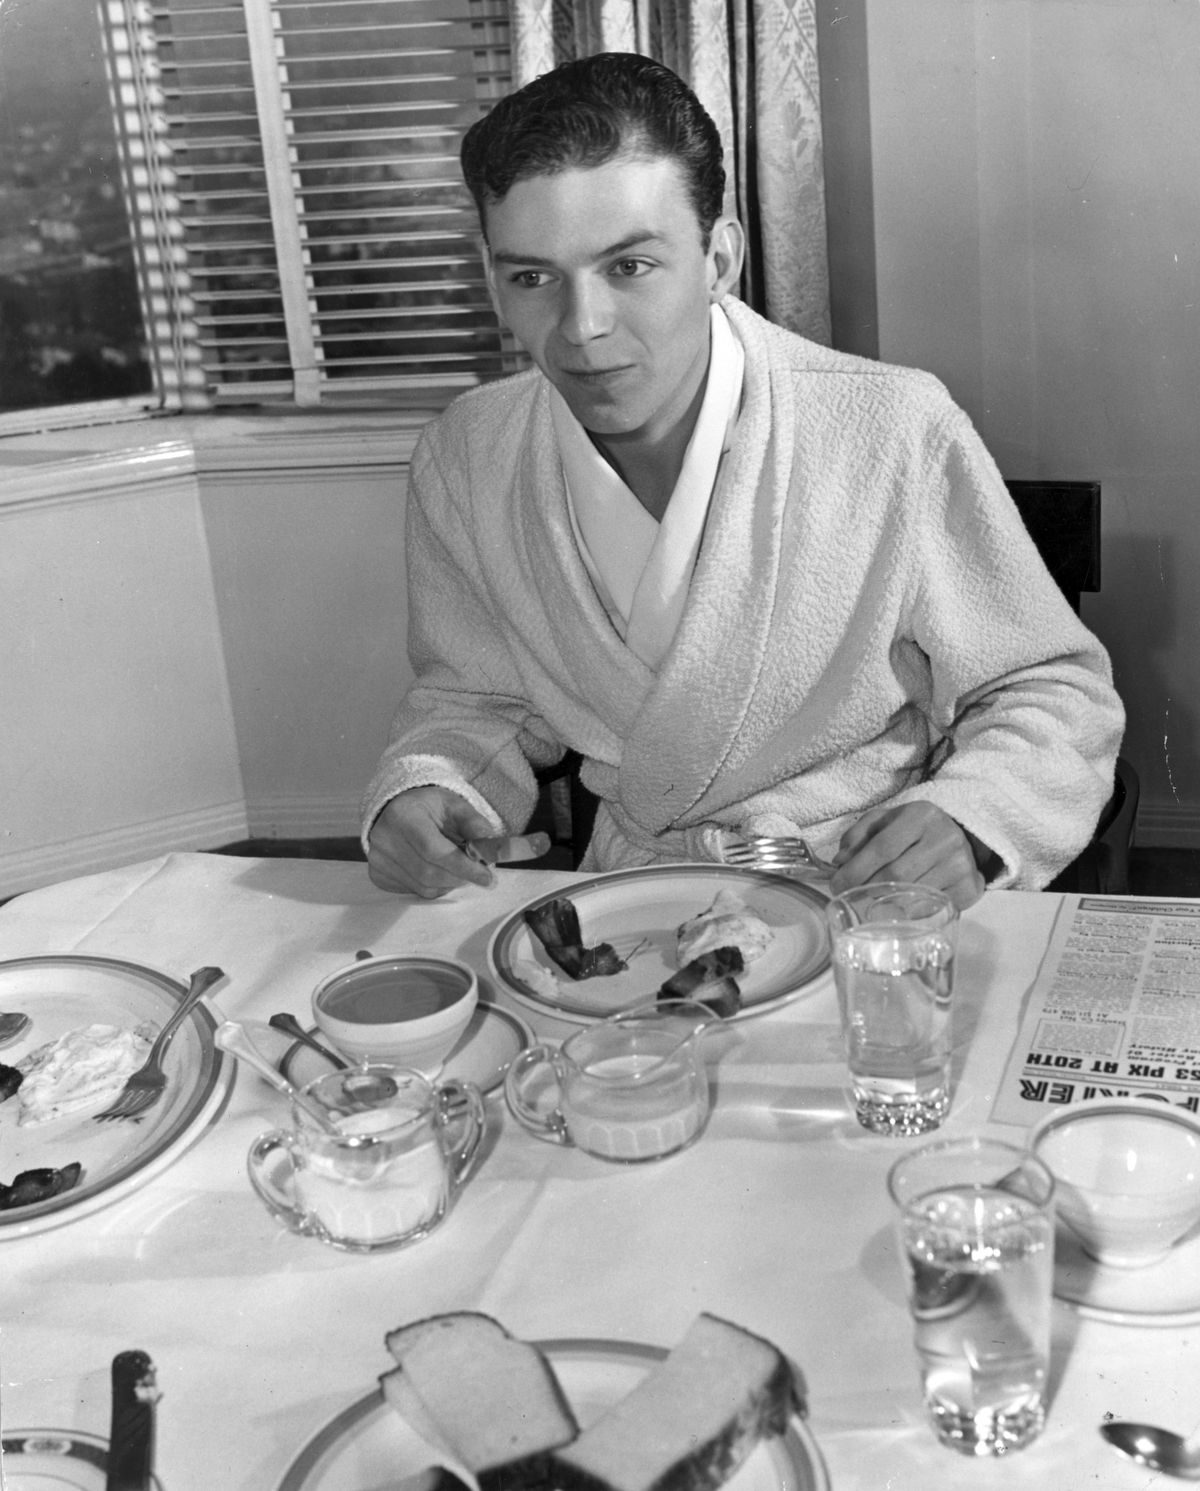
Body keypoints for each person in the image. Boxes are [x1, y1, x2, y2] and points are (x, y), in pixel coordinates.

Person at [362, 52, 1124, 909]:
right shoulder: (469, 456)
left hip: (865, 892)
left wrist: (973, 819)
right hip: (633, 906)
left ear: (719, 259)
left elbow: (1051, 689)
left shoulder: (894, 428)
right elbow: (474, 696)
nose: (582, 328)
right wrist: (431, 786)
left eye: (629, 266)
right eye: (533, 277)